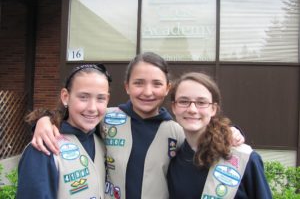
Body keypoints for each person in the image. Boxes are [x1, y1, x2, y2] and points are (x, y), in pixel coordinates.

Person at [29, 52, 245, 199]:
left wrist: (232, 131)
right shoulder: (106, 119)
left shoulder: (177, 130)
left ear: (168, 88)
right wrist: (44, 120)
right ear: (127, 87)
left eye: (157, 84)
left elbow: (204, 131)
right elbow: (73, 121)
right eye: (139, 83)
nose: (148, 92)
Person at [167, 72, 272, 199]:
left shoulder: (244, 159)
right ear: (174, 107)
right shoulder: (174, 160)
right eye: (184, 101)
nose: (192, 109)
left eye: (201, 102)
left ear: (213, 109)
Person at [16, 64, 112, 199]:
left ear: (107, 99)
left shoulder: (103, 138)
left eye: (100, 98)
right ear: (66, 97)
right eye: (83, 97)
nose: (92, 108)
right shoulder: (44, 147)